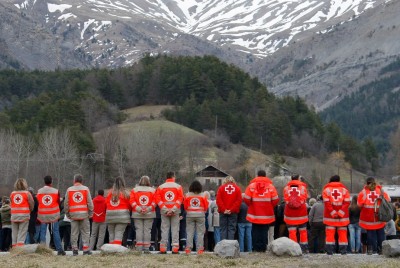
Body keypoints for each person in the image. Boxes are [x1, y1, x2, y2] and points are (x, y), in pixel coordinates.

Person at [244, 170, 279, 252]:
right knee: (264, 231)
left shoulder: (251, 186)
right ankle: (263, 247)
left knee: (255, 230)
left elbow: (246, 198)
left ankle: (255, 247)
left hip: (254, 213)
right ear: (265, 175)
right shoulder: (271, 186)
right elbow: (275, 200)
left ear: (257, 175)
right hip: (266, 214)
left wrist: (251, 205)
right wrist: (270, 205)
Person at [357, 177, 390, 254]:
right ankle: (381, 250)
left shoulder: (363, 192)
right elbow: (388, 200)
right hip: (379, 216)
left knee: (370, 234)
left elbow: (359, 205)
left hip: (368, 218)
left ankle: (370, 250)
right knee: (381, 233)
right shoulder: (380, 190)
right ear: (375, 182)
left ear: (366, 183)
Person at [64, 174, 94, 256]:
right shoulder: (85, 189)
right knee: (86, 232)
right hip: (84, 215)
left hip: (73, 215)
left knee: (74, 233)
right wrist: (91, 212)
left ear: (74, 180)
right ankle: (85, 249)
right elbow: (90, 203)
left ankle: (75, 250)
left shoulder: (69, 190)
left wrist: (68, 214)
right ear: (82, 181)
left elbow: (66, 204)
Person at [155, 171, 184, 254]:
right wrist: (173, 209)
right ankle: (175, 249)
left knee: (164, 229)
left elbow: (158, 200)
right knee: (175, 229)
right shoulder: (178, 187)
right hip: (175, 212)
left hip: (164, 212)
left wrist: (165, 209)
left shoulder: (160, 187)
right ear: (173, 177)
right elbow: (180, 199)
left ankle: (163, 249)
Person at [37, 175, 65, 255]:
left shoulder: (39, 191)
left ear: (44, 181)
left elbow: (38, 201)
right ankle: (59, 249)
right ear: (51, 181)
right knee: (56, 231)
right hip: (53, 214)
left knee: (43, 232)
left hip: (43, 215)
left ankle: (42, 249)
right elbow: (58, 202)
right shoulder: (56, 191)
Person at [322, 175, 350, 255]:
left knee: (330, 234)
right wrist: (340, 212)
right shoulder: (345, 190)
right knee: (343, 234)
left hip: (329, 217)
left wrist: (333, 212)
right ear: (339, 180)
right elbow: (347, 203)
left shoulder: (326, 190)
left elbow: (327, 203)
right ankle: (343, 251)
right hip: (343, 218)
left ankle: (330, 251)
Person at [283, 174, 309, 253]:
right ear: (298, 179)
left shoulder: (286, 188)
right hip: (301, 214)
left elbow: (286, 199)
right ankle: (304, 249)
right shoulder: (303, 188)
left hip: (290, 214)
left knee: (292, 232)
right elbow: (304, 198)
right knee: (303, 232)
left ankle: (293, 249)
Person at [130, 176, 156, 253]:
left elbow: (132, 201)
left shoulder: (134, 190)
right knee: (147, 230)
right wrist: (147, 209)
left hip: (137, 214)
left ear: (140, 181)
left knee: (139, 230)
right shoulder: (153, 190)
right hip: (149, 214)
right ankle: (146, 248)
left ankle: (139, 247)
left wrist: (139, 209)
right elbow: (155, 202)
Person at [184, 180, 209, 255]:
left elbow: (185, 206)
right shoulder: (203, 195)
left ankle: (188, 249)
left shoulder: (187, 195)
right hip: (200, 215)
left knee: (189, 232)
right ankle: (200, 249)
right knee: (200, 233)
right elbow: (206, 206)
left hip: (190, 215)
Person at [105, 176, 131, 246]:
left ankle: (111, 249)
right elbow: (129, 205)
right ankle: (116, 248)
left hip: (110, 215)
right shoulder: (126, 193)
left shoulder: (110, 193)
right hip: (122, 216)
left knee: (111, 233)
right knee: (119, 233)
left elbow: (106, 203)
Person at [10, 178, 34, 248]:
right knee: (22, 234)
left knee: (14, 234)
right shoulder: (27, 193)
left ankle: (14, 249)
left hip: (14, 216)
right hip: (24, 216)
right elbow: (31, 204)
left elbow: (11, 204)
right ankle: (19, 250)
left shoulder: (12, 194)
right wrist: (29, 211)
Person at [216, 176, 242, 241]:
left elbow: (218, 200)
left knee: (223, 229)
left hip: (223, 212)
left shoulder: (221, 188)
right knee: (231, 229)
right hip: (233, 213)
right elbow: (239, 201)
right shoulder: (238, 189)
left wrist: (224, 209)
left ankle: (223, 247)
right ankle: (230, 246)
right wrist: (231, 209)